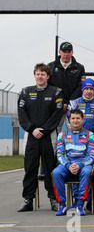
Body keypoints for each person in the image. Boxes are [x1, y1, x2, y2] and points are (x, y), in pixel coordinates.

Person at [17, 63, 63, 212]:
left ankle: (53, 199)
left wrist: (44, 130)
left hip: (49, 136)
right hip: (31, 135)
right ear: (34, 75)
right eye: (37, 74)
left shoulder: (56, 92)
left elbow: (57, 115)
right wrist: (32, 129)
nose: (40, 77)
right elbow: (22, 114)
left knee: (51, 169)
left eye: (43, 74)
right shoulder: (25, 92)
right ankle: (28, 200)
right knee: (30, 168)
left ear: (48, 76)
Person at [52, 108, 94, 216]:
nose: (75, 121)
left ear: (82, 120)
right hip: (67, 164)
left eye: (78, 118)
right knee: (56, 172)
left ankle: (80, 204)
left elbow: (91, 155)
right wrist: (68, 165)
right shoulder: (62, 135)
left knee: (87, 172)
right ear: (69, 120)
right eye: (73, 118)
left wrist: (80, 165)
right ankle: (62, 204)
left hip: (84, 164)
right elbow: (60, 154)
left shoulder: (90, 134)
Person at [48, 41, 85, 133]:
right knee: (55, 130)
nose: (66, 54)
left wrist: (68, 103)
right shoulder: (50, 67)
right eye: (64, 51)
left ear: (72, 53)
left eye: (68, 52)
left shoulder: (79, 68)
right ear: (59, 52)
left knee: (74, 130)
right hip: (56, 105)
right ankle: (56, 148)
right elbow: (50, 87)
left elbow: (80, 87)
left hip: (73, 106)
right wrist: (61, 102)